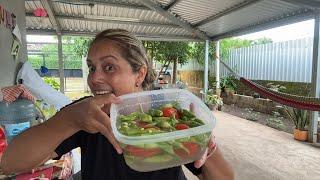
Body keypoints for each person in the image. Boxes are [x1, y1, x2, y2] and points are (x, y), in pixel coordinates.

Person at [0, 29, 234, 180]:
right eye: (92, 67)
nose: (94, 78)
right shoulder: (86, 114)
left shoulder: (169, 114)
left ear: (139, 74)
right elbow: (11, 162)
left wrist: (205, 145)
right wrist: (68, 119)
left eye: (109, 67)